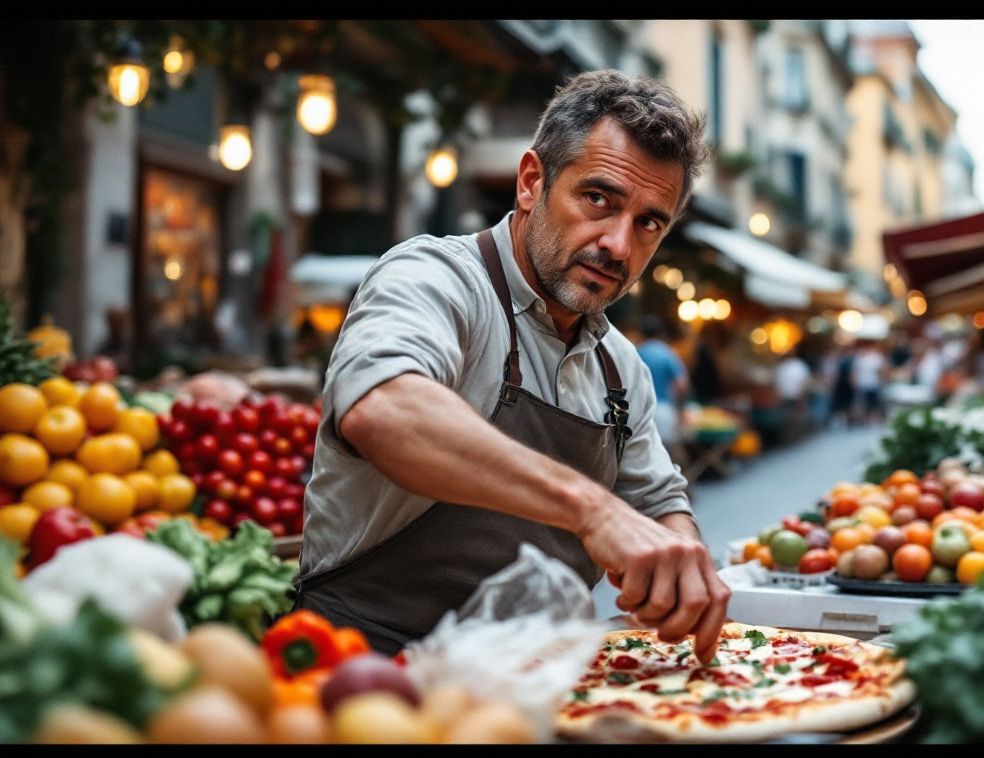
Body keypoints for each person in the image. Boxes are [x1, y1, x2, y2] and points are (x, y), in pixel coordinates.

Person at [294, 70, 729, 663]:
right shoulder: (435, 277)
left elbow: (658, 501)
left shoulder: (621, 367)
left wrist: (680, 560)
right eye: (598, 199)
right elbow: (384, 410)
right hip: (363, 666)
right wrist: (593, 509)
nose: (619, 246)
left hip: (534, 682)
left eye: (649, 223)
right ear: (531, 182)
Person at [636, 315, 689, 466]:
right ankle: (681, 486)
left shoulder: (635, 352)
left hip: (640, 411)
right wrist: (681, 410)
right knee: (671, 454)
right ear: (660, 333)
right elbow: (681, 385)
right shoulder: (667, 353)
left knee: (648, 456)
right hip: (664, 409)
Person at [850, 339, 888, 425]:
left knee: (874, 403)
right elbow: (854, 371)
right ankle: (863, 419)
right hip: (862, 383)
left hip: (874, 383)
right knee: (862, 403)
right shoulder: (859, 357)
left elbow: (882, 370)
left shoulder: (877, 357)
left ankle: (873, 419)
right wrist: (854, 382)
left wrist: (882, 380)